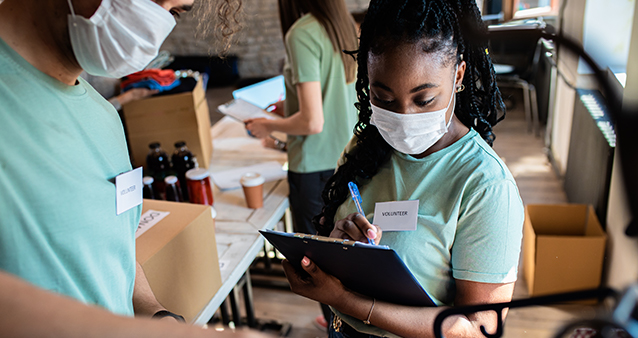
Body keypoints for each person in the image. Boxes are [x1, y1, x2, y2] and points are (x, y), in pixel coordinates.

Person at [0, 0, 265, 336]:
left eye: (173, 12)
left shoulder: (105, 118)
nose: (152, 24)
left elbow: (115, 250)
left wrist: (154, 312)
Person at [280, 0, 525, 337]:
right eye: (384, 99)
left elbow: (478, 329)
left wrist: (346, 300)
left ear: (458, 75)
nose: (404, 118)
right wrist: (337, 247)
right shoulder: (365, 149)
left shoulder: (486, 185)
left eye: (424, 100)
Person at [244, 0, 359, 329]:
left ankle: (336, 326)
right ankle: (348, 323)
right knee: (344, 252)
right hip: (346, 156)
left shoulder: (301, 32)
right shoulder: (342, 24)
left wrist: (268, 125)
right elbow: (333, 95)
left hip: (314, 166)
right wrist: (287, 108)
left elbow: (312, 121)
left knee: (314, 263)